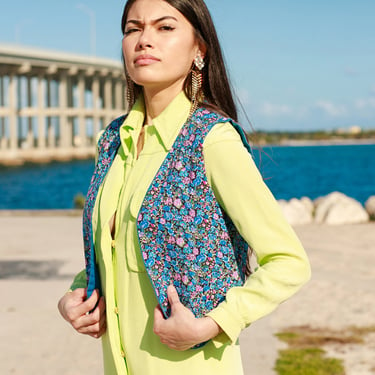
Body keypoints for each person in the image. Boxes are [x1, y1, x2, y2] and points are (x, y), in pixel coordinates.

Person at [58, 0, 311, 373]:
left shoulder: (211, 140)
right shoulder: (113, 141)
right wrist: (74, 296)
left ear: (199, 49)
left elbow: (289, 262)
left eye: (164, 28)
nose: (144, 40)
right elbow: (113, 252)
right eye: (133, 28)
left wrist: (213, 324)